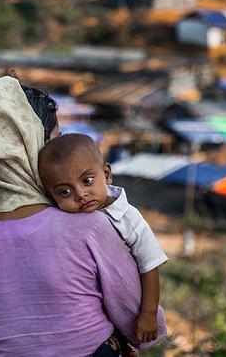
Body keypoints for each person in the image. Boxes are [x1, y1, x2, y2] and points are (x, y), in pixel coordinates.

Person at [0, 76, 166, 356]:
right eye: (53, 141)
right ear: (24, 145)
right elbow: (137, 321)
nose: (61, 154)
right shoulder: (87, 225)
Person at [39, 134, 168, 343]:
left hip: (130, 310)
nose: (80, 194)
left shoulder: (129, 218)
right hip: (90, 316)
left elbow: (150, 265)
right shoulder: (62, 222)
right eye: (65, 191)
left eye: (87, 181)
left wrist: (148, 313)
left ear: (106, 174)